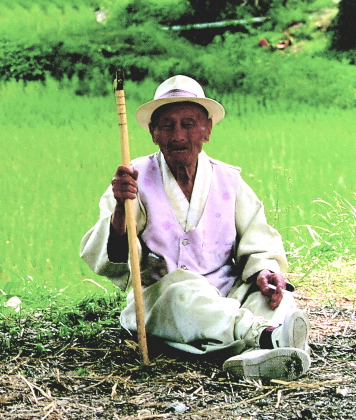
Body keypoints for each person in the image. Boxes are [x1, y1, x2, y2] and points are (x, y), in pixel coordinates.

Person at [80, 75, 311, 381]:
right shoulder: (133, 180)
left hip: (228, 295)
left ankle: (254, 353)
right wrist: (122, 209)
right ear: (153, 133)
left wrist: (263, 271)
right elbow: (117, 256)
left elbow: (258, 239)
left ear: (207, 130)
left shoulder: (229, 180)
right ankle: (265, 337)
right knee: (186, 293)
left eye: (188, 123)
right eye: (167, 125)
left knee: (273, 298)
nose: (178, 135)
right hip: (169, 300)